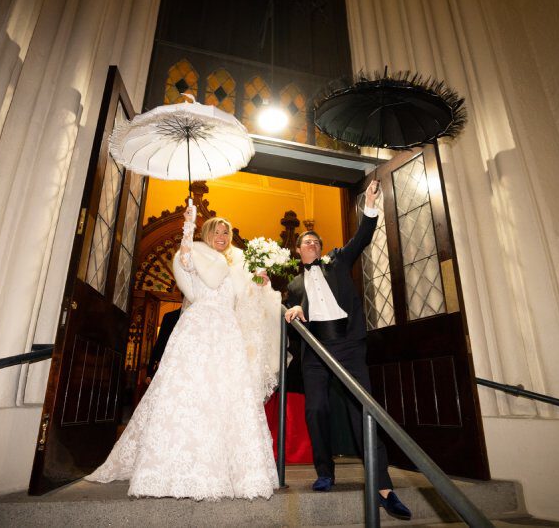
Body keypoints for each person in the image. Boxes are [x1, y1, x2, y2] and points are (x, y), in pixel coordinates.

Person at [86, 204, 281, 500]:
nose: (222, 235)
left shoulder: (234, 265)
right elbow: (187, 264)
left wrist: (260, 283)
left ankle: (229, 470)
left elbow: (246, 300)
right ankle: (172, 468)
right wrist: (187, 227)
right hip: (198, 328)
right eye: (216, 230)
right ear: (206, 233)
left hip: (227, 332)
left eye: (226, 231)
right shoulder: (196, 253)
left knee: (224, 396)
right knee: (188, 393)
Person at [284, 179, 412, 521]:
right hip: (314, 351)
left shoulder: (338, 261)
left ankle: (383, 487)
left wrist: (368, 206)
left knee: (363, 411)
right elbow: (288, 314)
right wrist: (293, 312)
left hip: (348, 346)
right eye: (305, 242)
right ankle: (325, 472)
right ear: (298, 251)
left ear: (320, 248)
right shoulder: (294, 285)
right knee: (318, 410)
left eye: (314, 240)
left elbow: (362, 238)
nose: (310, 243)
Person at [144, 308, 181, 384]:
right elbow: (160, 341)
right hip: (166, 366)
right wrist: (150, 373)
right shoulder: (170, 317)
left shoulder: (199, 317)